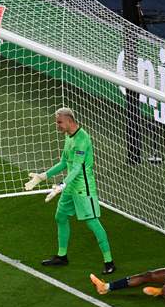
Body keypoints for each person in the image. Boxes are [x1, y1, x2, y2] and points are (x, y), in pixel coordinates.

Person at [25, 108, 116, 274]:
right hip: (70, 186)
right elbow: (63, 163)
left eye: (59, 122)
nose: (57, 125)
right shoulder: (68, 136)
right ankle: (62, 256)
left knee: (93, 223)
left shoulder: (82, 140)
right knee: (60, 217)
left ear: (69, 121)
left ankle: (109, 262)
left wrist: (61, 185)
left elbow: (76, 169)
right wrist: (42, 176)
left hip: (82, 188)